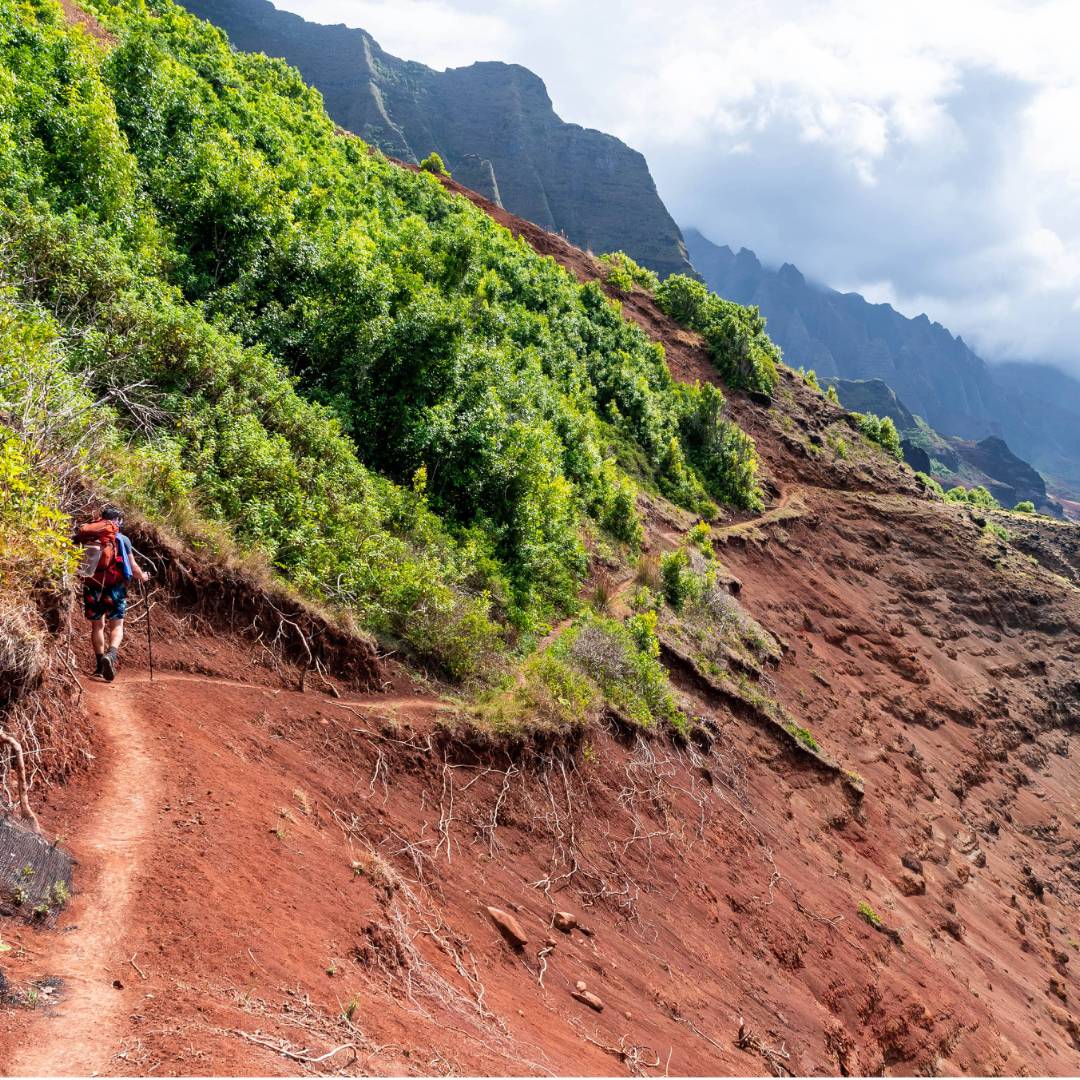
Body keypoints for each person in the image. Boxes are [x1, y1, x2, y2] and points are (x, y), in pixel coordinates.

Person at [79, 506, 150, 681]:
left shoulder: (90, 536)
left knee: (97, 626)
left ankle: (98, 667)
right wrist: (143, 577)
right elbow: (133, 568)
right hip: (114, 587)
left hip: (92, 584)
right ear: (117, 521)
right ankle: (110, 656)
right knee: (117, 625)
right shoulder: (121, 539)